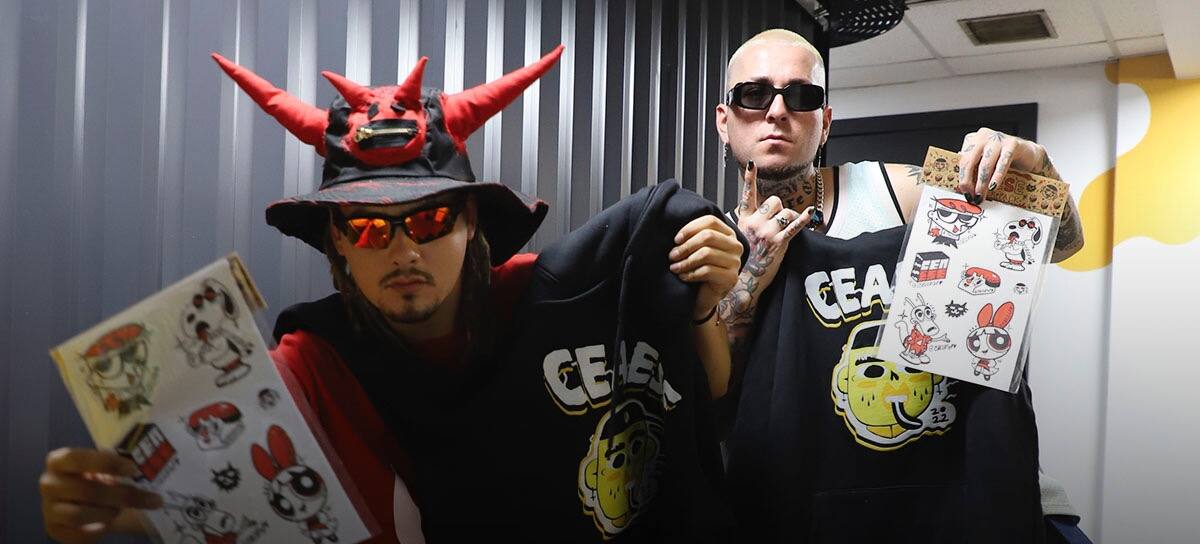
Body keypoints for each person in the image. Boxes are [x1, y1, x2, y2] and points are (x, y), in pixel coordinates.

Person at [40, 45, 743, 543]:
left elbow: (708, 387)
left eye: (430, 220)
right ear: (337, 243)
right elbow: (224, 475)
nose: (403, 251)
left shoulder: (554, 298)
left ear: (472, 225)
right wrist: (111, 505)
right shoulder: (315, 365)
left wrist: (704, 303)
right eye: (369, 227)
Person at [713, 29, 1086, 542]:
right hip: (824, 515)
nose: (777, 111)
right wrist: (749, 281)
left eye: (801, 95)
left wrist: (1034, 166)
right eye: (754, 94)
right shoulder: (713, 246)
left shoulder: (899, 191)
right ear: (725, 119)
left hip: (968, 498)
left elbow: (1062, 244)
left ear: (825, 122)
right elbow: (715, 407)